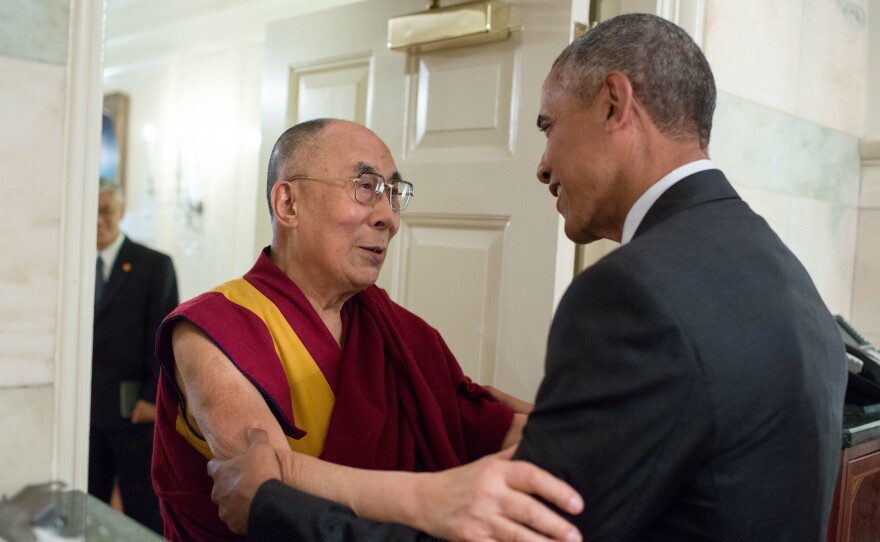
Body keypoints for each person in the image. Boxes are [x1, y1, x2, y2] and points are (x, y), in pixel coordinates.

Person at [207, 12, 848, 541]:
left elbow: (522, 532)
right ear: (286, 203)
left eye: (548, 127)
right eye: (364, 188)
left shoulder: (635, 294)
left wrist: (273, 504)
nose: (541, 166)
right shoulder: (786, 274)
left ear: (614, 103)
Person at [151, 118, 580, 542]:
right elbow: (268, 492)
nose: (389, 218)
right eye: (366, 187)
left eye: (394, 194)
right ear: (288, 205)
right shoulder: (211, 330)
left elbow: (484, 425)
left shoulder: (400, 334)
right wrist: (439, 497)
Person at [90, 178, 179, 534]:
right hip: (86, 415)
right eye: (91, 211)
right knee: (89, 503)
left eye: (105, 210)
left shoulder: (153, 265)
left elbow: (164, 337)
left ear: (121, 212)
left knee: (142, 506)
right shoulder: (73, 265)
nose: (98, 220)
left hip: (134, 414)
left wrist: (151, 397)